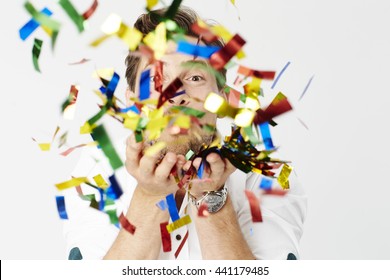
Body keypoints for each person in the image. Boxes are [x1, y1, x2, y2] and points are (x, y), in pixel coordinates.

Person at [63, 6, 307, 260]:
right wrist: (151, 195)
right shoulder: (94, 172)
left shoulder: (270, 176)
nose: (176, 96)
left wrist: (212, 198)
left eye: (195, 78)